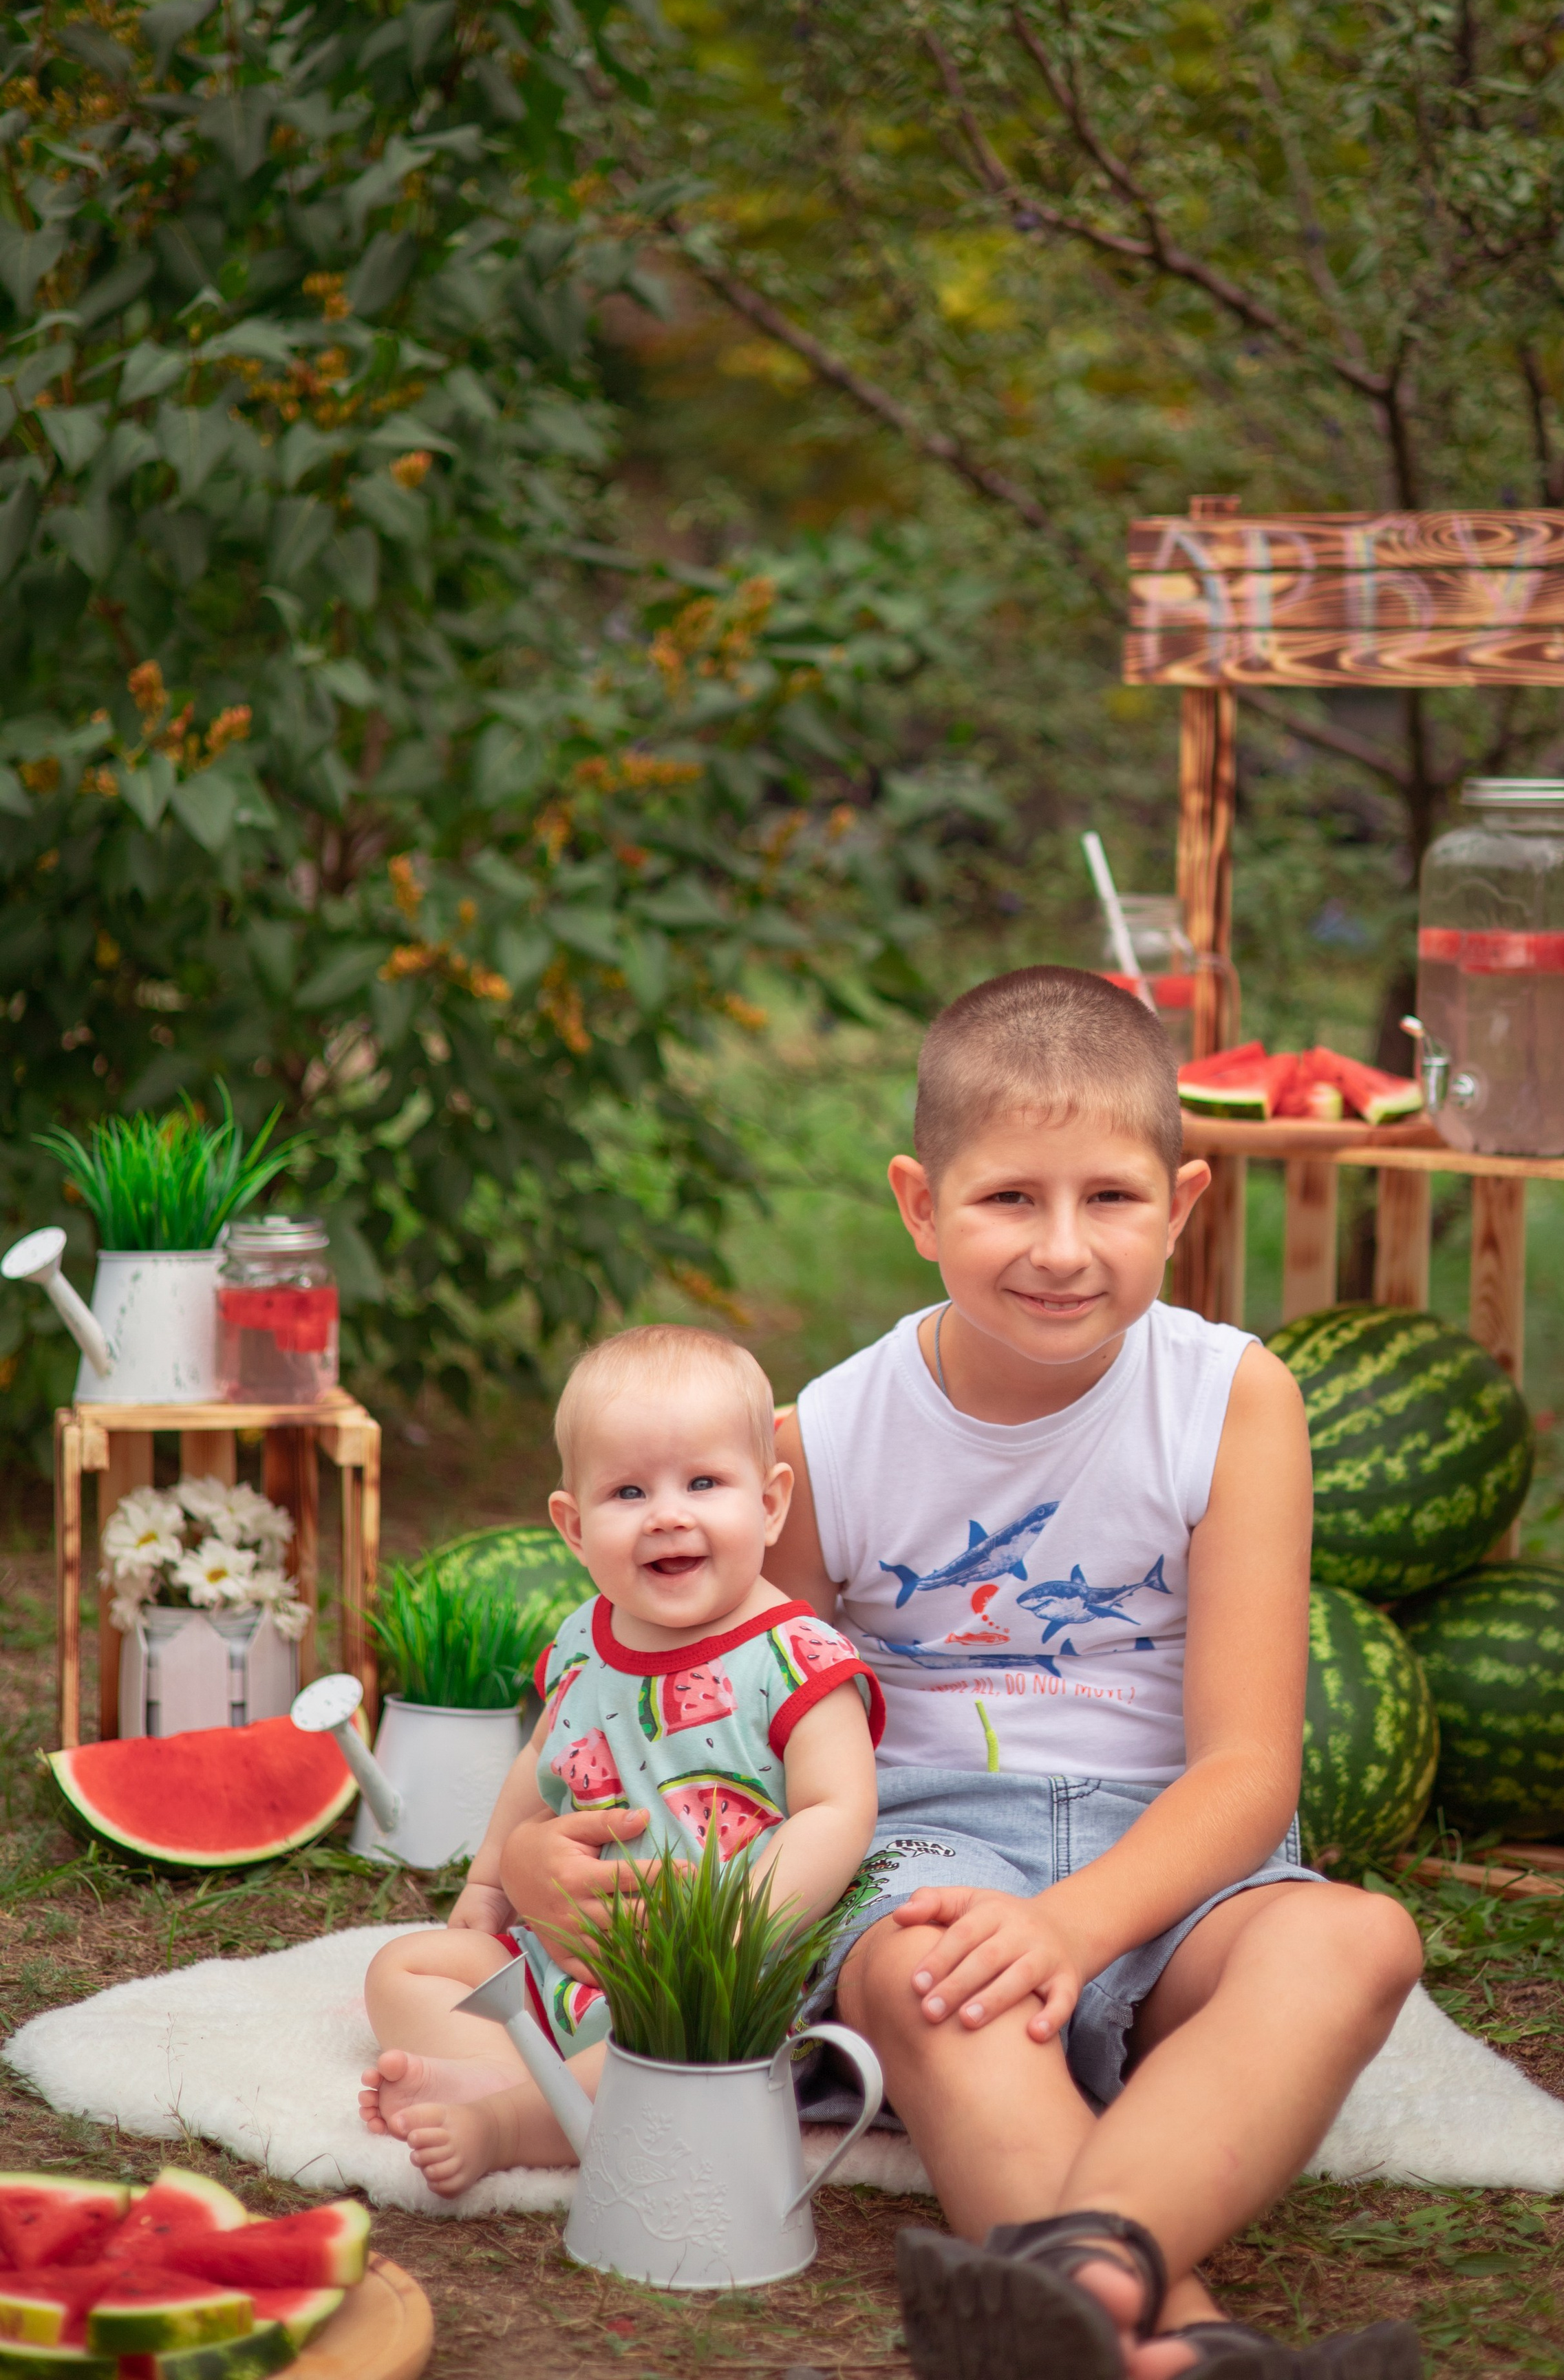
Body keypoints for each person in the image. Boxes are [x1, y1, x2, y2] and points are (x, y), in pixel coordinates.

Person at [508, 969, 1425, 2380]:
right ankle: (1175, 2340)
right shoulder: (825, 1441)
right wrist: (534, 1857)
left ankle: (1086, 2279)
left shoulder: (1232, 1398)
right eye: (1007, 1199)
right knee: (943, 1988)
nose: (1061, 1248)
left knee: (1359, 1941)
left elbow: (1249, 1768)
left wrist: (1072, 1925)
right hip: (925, 1855)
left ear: (1182, 1203)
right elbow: (725, 1724)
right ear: (919, 1204)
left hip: (1175, 1860)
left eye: (1109, 1198)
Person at [358, 1324, 883, 2198]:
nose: (667, 1514)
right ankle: (518, 2083)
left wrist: (736, 1924)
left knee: (673, 2054)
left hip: (705, 1983)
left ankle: (509, 2122)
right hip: (567, 1950)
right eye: (629, 1491)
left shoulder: (797, 1658)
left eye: (704, 1483)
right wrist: (489, 1882)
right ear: (572, 1526)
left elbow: (840, 1809)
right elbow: (540, 1759)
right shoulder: (581, 1640)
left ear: (770, 1503)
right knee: (404, 1971)